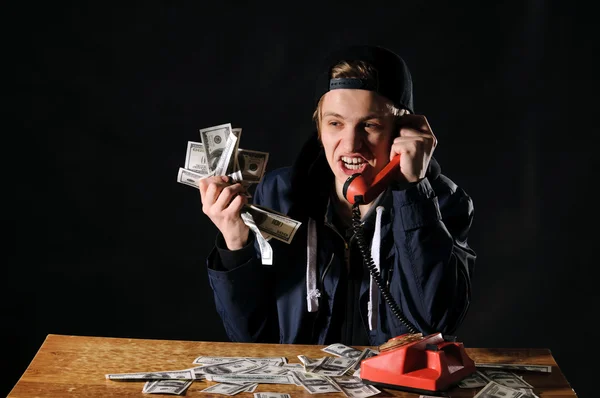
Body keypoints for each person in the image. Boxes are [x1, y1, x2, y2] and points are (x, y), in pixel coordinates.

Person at [198, 44, 476, 346]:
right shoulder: (279, 194)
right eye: (335, 123)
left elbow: (433, 327)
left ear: (403, 131)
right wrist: (235, 245)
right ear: (319, 129)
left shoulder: (443, 203)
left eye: (369, 125)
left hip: (394, 388)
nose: (350, 144)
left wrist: (413, 197)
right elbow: (250, 339)